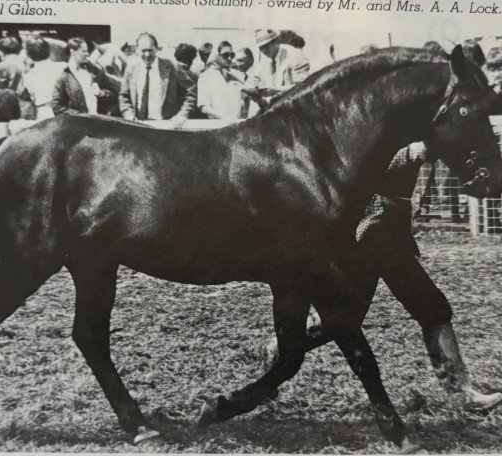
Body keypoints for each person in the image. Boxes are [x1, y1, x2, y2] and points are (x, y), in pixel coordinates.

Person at [267, 142, 502, 411]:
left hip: (384, 231)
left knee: (351, 317)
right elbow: (365, 152)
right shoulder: (389, 113)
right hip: (374, 232)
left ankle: (280, 348)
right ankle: (462, 396)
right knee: (431, 309)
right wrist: (410, 153)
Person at [118, 32, 196, 126]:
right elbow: (124, 96)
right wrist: (128, 114)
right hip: (138, 126)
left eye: (150, 50)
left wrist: (182, 115)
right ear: (137, 50)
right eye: (143, 50)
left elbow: (191, 92)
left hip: (165, 125)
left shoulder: (171, 67)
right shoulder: (131, 69)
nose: (147, 54)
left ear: (156, 49)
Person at [51, 37, 117, 116]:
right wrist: (79, 115)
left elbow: (115, 95)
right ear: (73, 52)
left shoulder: (96, 71)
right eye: (84, 51)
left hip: (99, 122)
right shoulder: (63, 76)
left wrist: (102, 93)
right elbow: (56, 106)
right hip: (79, 124)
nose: (87, 54)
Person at [197, 41, 247, 120]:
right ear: (217, 55)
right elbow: (204, 107)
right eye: (225, 55)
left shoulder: (238, 75)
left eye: (231, 55)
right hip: (218, 125)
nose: (229, 58)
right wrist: (224, 117)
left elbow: (244, 102)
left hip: (238, 125)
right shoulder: (205, 76)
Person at [23, 36, 66, 121]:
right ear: (49, 51)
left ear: (28, 55)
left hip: (43, 114)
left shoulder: (28, 77)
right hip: (63, 112)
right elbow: (65, 45)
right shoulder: (62, 67)